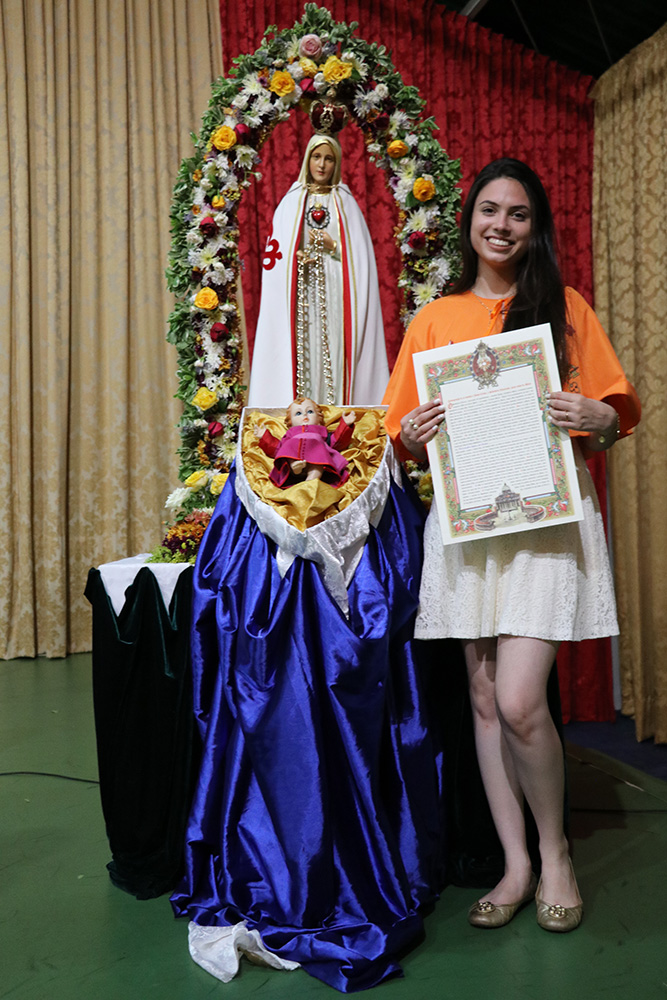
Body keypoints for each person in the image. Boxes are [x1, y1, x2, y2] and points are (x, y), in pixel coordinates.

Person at [383, 158, 641, 933]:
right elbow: (400, 437)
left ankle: (555, 854)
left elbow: (612, 416)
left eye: (517, 213)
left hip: (545, 524)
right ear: (468, 220)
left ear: (535, 228)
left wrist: (599, 420)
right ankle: (515, 865)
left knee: (521, 699)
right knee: (485, 699)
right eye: (489, 210)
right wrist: (411, 434)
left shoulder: (562, 307)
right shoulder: (435, 320)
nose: (500, 224)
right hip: (467, 526)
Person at [247, 133, 389, 408]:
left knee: (334, 348)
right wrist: (296, 259)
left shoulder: (345, 203)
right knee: (305, 348)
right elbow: (278, 255)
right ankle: (302, 410)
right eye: (316, 157)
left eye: (328, 159)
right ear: (307, 160)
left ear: (337, 164)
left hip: (336, 290)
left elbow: (359, 257)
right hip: (302, 291)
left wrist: (332, 245)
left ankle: (333, 407)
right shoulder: (291, 202)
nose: (322, 165)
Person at [254, 396, 355, 487]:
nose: (305, 415)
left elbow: (337, 441)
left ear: (319, 418)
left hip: (317, 457)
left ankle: (312, 479)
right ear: (290, 421)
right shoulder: (290, 435)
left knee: (319, 457)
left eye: (310, 411)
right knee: (288, 448)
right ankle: (294, 467)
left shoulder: (322, 433)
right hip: (293, 462)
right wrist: (264, 436)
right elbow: (277, 448)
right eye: (298, 413)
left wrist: (345, 425)